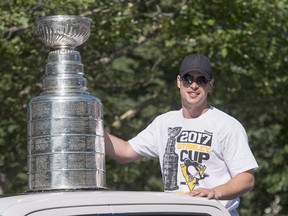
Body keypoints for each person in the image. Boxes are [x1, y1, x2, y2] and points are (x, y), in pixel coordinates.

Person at [105, 53, 258, 216]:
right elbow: (125, 152)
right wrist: (90, 129)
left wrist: (214, 192)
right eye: (188, 78)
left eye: (201, 80)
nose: (194, 85)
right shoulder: (164, 123)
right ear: (179, 81)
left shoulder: (227, 126)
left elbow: (246, 179)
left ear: (210, 85)